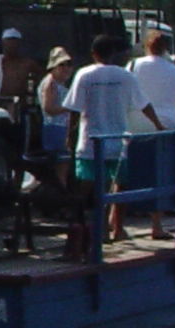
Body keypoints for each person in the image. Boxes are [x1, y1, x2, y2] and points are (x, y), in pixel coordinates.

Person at [66, 32, 153, 244]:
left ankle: (80, 229)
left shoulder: (84, 75)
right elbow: (144, 105)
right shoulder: (126, 76)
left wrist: (69, 136)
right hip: (117, 141)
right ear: (113, 54)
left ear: (93, 53)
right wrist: (159, 125)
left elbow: (74, 109)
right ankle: (116, 228)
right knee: (118, 185)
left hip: (89, 141)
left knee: (86, 187)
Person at [130, 26, 175, 131]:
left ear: (146, 46)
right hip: (166, 122)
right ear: (165, 49)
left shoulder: (133, 65)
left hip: (135, 123)